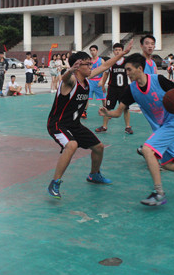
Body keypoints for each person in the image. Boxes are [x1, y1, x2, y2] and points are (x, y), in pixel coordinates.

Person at [100, 53, 174, 206]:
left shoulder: (158, 80)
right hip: (159, 128)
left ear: (140, 68)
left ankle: (159, 193)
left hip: (173, 123)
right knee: (167, 164)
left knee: (147, 150)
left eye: (129, 69)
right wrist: (108, 113)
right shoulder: (131, 90)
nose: (127, 73)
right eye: (126, 70)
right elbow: (119, 112)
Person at [46, 40, 133, 199]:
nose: (91, 66)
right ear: (78, 67)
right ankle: (54, 182)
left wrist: (123, 53)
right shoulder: (71, 81)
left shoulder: (86, 79)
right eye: (88, 64)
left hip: (74, 125)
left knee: (99, 147)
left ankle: (94, 175)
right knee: (72, 145)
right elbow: (65, 78)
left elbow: (105, 66)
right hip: (58, 124)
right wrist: (69, 71)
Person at [96, 43, 133, 135]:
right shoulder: (111, 62)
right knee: (107, 108)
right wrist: (103, 84)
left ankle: (128, 127)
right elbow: (106, 74)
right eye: (116, 50)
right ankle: (104, 126)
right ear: (113, 51)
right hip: (112, 89)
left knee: (126, 108)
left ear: (122, 51)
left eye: (119, 50)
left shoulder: (126, 62)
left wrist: (133, 84)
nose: (117, 52)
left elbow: (131, 74)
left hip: (124, 89)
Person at [81, 45, 105, 119]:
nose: (92, 52)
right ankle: (84, 112)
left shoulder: (101, 60)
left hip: (99, 81)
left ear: (97, 51)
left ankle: (106, 111)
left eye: (94, 50)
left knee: (103, 98)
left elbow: (105, 71)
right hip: (90, 81)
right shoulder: (88, 61)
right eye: (91, 50)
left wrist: (102, 81)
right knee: (86, 97)